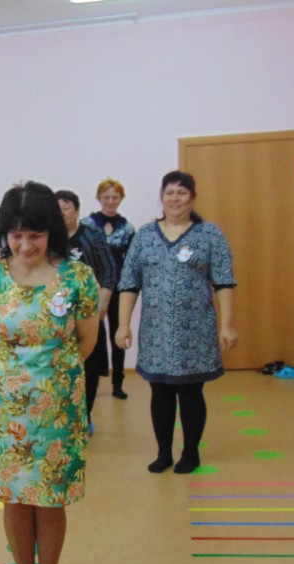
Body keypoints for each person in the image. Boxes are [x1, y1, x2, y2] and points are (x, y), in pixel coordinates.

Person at [0, 181, 100, 564]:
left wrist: (49, 381)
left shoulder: (77, 278)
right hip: (4, 410)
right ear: (4, 233)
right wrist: (13, 382)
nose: (25, 245)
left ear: (52, 233)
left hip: (57, 408)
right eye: (16, 235)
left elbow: (86, 342)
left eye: (36, 235)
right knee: (15, 499)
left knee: (50, 500)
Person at [116, 170, 238, 474]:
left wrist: (227, 325)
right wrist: (123, 324)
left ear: (192, 197)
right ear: (162, 197)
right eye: (169, 192)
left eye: (182, 193)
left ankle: (191, 453)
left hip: (195, 331)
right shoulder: (145, 235)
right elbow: (129, 283)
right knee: (160, 392)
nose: (175, 199)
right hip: (156, 331)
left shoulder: (209, 234)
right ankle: (163, 453)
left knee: (191, 392)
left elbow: (224, 282)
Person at [56, 189, 116, 435]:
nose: (61, 213)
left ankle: (85, 416)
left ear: (77, 211)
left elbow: (109, 270)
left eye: (66, 208)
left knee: (90, 368)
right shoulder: (47, 238)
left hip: (89, 313)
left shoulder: (92, 235)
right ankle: (62, 418)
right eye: (57, 209)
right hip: (58, 316)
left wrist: (102, 303)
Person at [83, 177, 135, 399]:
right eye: (106, 197)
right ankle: (90, 379)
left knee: (118, 333)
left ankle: (117, 383)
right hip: (92, 288)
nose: (111, 201)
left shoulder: (128, 228)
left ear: (121, 199)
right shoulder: (87, 225)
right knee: (91, 333)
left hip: (119, 288)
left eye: (115, 197)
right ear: (98, 198)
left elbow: (131, 260)